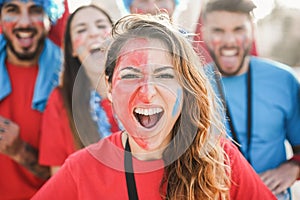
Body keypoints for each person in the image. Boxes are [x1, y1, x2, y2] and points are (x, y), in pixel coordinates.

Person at [32, 13, 275, 199]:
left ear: (185, 87)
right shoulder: (82, 168)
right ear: (109, 86)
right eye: (130, 75)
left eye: (165, 75)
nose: (147, 91)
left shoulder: (220, 158)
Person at [200, 0, 300, 199]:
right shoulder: (189, 87)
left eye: (238, 29)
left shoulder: (284, 80)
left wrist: (293, 168)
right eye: (218, 30)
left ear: (252, 31)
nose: (229, 40)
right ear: (204, 34)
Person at [38, 4, 119, 176]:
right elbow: (59, 180)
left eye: (101, 26)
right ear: (72, 49)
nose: (93, 33)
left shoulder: (144, 90)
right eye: (81, 29)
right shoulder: (61, 101)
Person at [0, 0, 64, 199]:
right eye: (13, 10)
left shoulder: (68, 79)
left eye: (35, 10)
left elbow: (72, 174)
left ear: (50, 17)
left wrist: (19, 151)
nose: (25, 23)